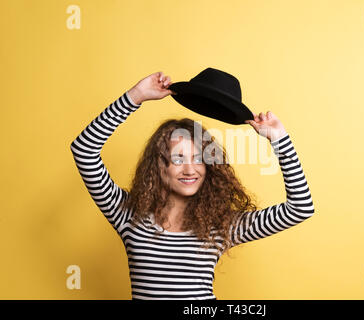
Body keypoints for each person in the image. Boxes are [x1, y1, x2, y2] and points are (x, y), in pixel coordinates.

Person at [70, 71, 315, 300]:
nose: (190, 169)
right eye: (178, 158)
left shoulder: (221, 226)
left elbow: (300, 207)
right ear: (159, 165)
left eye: (199, 158)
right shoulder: (128, 215)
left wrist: (279, 139)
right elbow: (84, 150)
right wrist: (136, 96)